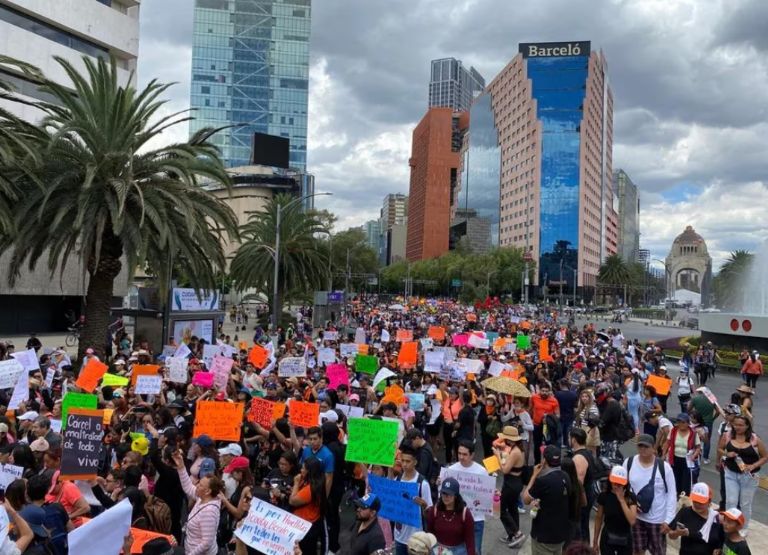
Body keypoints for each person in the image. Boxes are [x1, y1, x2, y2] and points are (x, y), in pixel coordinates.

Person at [622, 434, 676, 555]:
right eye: (640, 446)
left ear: (653, 448)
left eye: (646, 446)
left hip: (657, 520)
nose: (643, 449)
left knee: (658, 552)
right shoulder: (629, 463)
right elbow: (623, 488)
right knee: (637, 551)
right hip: (636, 518)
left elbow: (672, 494)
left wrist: (668, 520)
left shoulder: (664, 468)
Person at [722, 415, 768, 535]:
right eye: (735, 424)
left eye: (741, 425)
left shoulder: (755, 439)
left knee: (745, 504)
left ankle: (743, 528)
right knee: (731, 501)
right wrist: (727, 453)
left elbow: (765, 457)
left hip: (750, 476)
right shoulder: (727, 435)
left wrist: (753, 466)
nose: (737, 427)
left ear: (747, 426)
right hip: (731, 473)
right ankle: (728, 525)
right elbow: (720, 449)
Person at [523, 445, 572, 555]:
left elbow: (526, 499)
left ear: (544, 460)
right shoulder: (566, 477)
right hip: (560, 535)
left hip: (544, 536)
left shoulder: (543, 481)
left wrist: (534, 475)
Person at [171, 448, 222, 555]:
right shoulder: (202, 498)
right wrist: (181, 466)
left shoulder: (209, 512)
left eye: (200, 485)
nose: (197, 486)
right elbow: (188, 487)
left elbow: (206, 543)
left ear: (207, 491)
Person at [393, 444, 433, 555]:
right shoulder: (398, 480)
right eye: (403, 460)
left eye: (408, 461)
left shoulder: (422, 484)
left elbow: (429, 515)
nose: (404, 464)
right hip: (399, 536)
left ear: (415, 462)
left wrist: (424, 505)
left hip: (417, 540)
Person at [448, 439, 486, 553]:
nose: (461, 457)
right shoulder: (451, 470)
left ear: (472, 455)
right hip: (457, 518)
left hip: (476, 519)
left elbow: (487, 494)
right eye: (459, 453)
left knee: (475, 551)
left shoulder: (482, 472)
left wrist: (495, 494)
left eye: (464, 454)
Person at [493, 426, 527, 548]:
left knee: (500, 509)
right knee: (512, 508)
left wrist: (497, 455)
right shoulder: (517, 449)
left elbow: (505, 469)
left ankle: (517, 533)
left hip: (512, 483)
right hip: (515, 482)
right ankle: (512, 534)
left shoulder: (516, 451)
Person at [667, 482, 723, 554]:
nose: (697, 504)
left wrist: (719, 550)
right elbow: (671, 535)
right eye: (695, 501)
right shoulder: (685, 512)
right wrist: (677, 533)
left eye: (701, 502)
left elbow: (722, 542)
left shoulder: (717, 519)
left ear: (709, 501)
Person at [593, 466, 637, 555]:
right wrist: (595, 541)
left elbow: (632, 520)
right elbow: (598, 519)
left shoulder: (630, 497)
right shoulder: (604, 496)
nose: (616, 485)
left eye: (620, 483)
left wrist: (622, 500)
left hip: (625, 537)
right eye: (614, 482)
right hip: (608, 537)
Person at [426, 476, 475, 555]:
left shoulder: (465, 513)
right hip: (437, 550)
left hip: (459, 551)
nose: (446, 497)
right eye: (444, 493)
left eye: (449, 494)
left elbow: (470, 541)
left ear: (456, 495)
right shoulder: (434, 510)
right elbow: (429, 534)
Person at [290, 457, 329, 555]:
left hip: (305, 528)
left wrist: (296, 483)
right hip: (307, 524)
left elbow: (292, 501)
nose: (301, 470)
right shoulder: (316, 482)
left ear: (309, 471)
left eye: (303, 468)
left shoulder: (310, 489)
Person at [662, 413, 700, 497]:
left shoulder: (693, 433)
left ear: (687, 423)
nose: (681, 424)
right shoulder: (673, 431)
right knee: (675, 478)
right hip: (675, 459)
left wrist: (694, 455)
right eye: (679, 422)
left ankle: (684, 497)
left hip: (687, 460)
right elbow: (667, 443)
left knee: (686, 481)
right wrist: (664, 454)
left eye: (683, 422)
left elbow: (698, 448)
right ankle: (677, 495)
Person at [570, 428, 596, 542]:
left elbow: (578, 484)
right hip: (587, 494)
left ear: (574, 440)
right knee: (583, 525)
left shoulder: (578, 458)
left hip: (583, 497)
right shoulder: (587, 453)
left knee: (580, 527)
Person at [296, 426, 335, 496]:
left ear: (321, 438)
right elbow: (302, 470)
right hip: (305, 488)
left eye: (315, 439)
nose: (312, 442)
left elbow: (328, 479)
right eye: (310, 439)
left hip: (318, 490)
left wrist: (324, 498)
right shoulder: (306, 450)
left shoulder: (328, 455)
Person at [530, 382, 560, 464]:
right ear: (539, 390)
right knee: (537, 445)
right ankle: (537, 463)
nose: (544, 393)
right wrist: (530, 420)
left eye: (546, 391)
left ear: (549, 391)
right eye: (543, 391)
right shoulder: (534, 397)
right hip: (536, 425)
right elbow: (530, 409)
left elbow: (558, 415)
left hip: (548, 427)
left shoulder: (554, 401)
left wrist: (549, 417)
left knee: (548, 445)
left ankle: (548, 462)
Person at [689, 387, 719, 464]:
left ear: (699, 391)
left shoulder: (695, 399)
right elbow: (718, 411)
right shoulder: (711, 398)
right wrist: (713, 419)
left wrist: (692, 415)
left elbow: (688, 408)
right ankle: (705, 458)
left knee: (693, 437)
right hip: (708, 421)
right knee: (707, 439)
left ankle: (693, 453)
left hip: (696, 421)